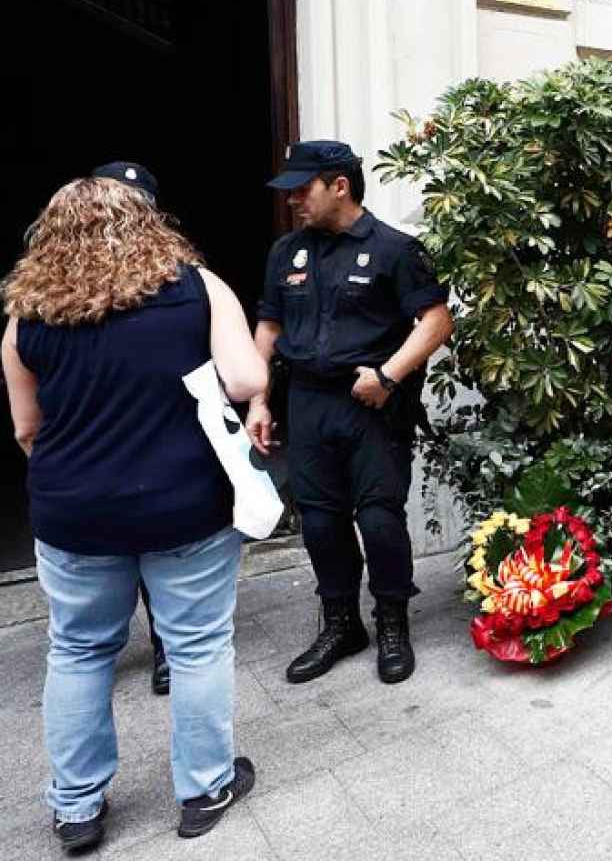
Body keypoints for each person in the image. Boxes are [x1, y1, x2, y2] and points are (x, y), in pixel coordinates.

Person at [2, 178, 269, 851]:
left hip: (74, 512)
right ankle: (205, 787)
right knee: (198, 645)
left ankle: (76, 808)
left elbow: (26, 429)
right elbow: (246, 381)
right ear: (150, 223)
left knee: (79, 651)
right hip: (185, 503)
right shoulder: (197, 287)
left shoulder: (28, 314)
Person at [245, 141, 454, 685]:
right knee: (318, 520)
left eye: (302, 188)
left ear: (340, 185)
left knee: (380, 520)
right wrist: (259, 398)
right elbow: (269, 327)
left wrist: (388, 375)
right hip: (307, 401)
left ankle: (392, 623)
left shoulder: (395, 249)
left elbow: (435, 322)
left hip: (371, 405)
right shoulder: (286, 252)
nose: (293, 200)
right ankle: (341, 624)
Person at [90, 161, 175, 696]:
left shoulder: (178, 276)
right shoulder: (52, 283)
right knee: (104, 557)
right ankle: (98, 644)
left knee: (161, 549)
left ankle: (164, 644)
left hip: (159, 432)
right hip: (95, 439)